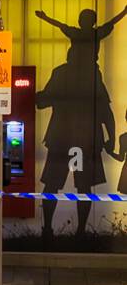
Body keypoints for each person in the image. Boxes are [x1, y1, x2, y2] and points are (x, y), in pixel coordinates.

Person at [35, 41, 114, 242]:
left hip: (61, 137)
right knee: (84, 186)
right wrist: (110, 137)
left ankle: (47, 229)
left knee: (54, 184)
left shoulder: (62, 73)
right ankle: (79, 232)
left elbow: (44, 101)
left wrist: (35, 96)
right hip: (84, 139)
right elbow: (105, 108)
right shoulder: (92, 75)